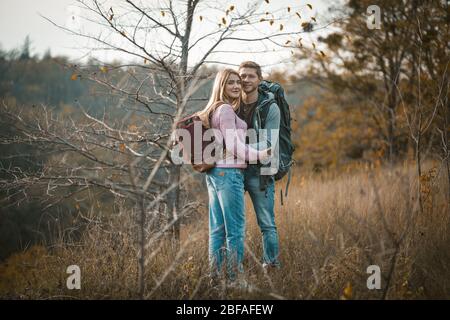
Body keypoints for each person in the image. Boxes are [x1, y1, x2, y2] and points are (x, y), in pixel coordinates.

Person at [196, 68, 271, 282]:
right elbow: (235, 146)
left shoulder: (213, 110)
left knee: (217, 230)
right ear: (222, 86)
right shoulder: (226, 110)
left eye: (238, 82)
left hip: (214, 173)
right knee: (235, 231)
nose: (237, 86)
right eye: (231, 83)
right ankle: (233, 279)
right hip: (229, 174)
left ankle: (215, 278)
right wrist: (260, 154)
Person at [238, 61, 281, 269]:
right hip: (234, 172)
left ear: (259, 79)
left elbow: (269, 144)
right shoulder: (231, 104)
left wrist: (235, 148)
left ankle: (271, 266)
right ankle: (230, 268)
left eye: (250, 76)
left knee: (266, 224)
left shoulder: (270, 107)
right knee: (231, 225)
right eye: (242, 76)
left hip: (261, 172)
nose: (245, 80)